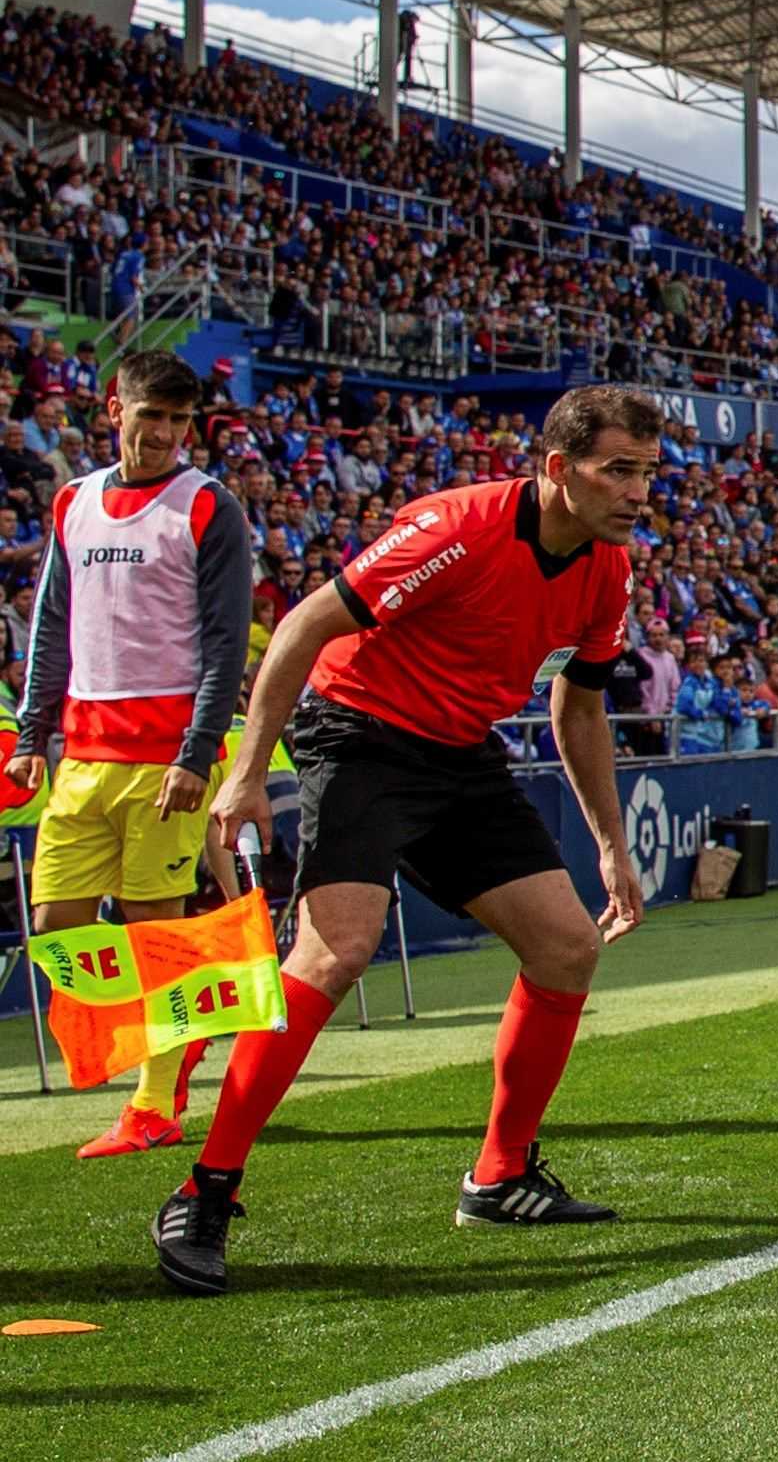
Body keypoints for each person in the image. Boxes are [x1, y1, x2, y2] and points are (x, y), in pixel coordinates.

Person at [157, 385, 670, 1298]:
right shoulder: (455, 527)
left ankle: (499, 1176)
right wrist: (246, 770)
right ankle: (205, 1189)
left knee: (567, 946)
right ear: (560, 468)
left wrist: (611, 845)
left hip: (458, 751)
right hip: (356, 733)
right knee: (337, 949)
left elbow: (581, 706)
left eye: (647, 473)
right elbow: (305, 625)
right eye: (619, 470)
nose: (638, 492)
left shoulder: (607, 567)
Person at [9, 351, 254, 1159]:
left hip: (165, 756)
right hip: (82, 754)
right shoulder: (74, 501)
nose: (166, 433)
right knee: (57, 925)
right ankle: (179, 1029)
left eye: (180, 420)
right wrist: (33, 731)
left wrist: (196, 752)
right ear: (115, 409)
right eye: (152, 415)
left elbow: (225, 642)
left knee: (154, 926)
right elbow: (52, 623)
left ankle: (153, 1103)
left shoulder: (208, 504)